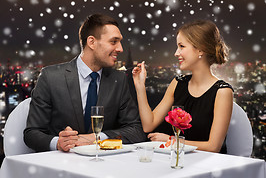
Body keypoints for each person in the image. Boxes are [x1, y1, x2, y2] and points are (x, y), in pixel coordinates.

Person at [24, 14, 146, 152]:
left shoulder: (119, 80)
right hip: (61, 166)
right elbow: (31, 134)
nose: (120, 49)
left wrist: (96, 138)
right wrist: (58, 143)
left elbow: (136, 130)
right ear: (92, 42)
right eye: (114, 42)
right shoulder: (50, 77)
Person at [132, 19, 234, 153]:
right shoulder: (177, 83)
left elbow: (213, 147)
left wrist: (171, 140)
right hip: (174, 160)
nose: (176, 53)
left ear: (200, 49)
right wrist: (140, 86)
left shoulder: (222, 92)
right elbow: (148, 125)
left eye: (181, 46)